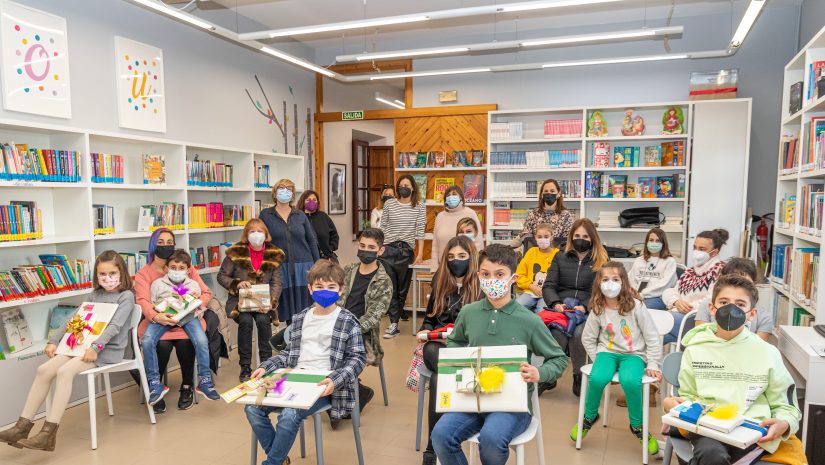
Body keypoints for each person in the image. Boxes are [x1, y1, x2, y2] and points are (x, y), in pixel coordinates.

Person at [431, 244, 567, 465]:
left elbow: (559, 359)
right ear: (478, 276)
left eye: (499, 274)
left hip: (512, 405)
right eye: (485, 274)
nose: (491, 280)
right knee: (441, 435)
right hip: (472, 399)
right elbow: (455, 340)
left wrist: (539, 372)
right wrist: (458, 360)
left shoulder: (529, 320)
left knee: (492, 439)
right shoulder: (469, 312)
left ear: (513, 278)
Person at [0, 251, 135, 451]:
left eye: (112, 273)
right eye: (102, 274)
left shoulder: (126, 296)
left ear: (122, 272)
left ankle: (48, 434)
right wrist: (54, 341)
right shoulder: (94, 295)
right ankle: (22, 427)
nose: (107, 278)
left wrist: (96, 347)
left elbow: (115, 327)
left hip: (106, 350)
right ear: (96, 275)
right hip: (82, 346)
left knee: (64, 372)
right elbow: (74, 319)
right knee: (44, 370)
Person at [662, 275, 802, 465]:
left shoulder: (767, 352)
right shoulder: (695, 349)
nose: (731, 308)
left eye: (740, 304)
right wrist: (676, 406)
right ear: (712, 308)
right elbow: (688, 396)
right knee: (711, 454)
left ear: (752, 314)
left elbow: (786, 405)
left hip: (752, 429)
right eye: (724, 302)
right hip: (707, 428)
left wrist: (784, 423)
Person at [245, 260, 366, 465]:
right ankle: (279, 459)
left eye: (331, 287)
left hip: (324, 385)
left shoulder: (347, 320)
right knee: (252, 408)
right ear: (310, 289)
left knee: (290, 415)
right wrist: (266, 366)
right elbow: (288, 355)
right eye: (319, 287)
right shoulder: (301, 318)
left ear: (341, 289)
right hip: (294, 377)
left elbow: (357, 358)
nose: (325, 292)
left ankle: (272, 462)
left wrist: (334, 380)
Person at [571, 262, 662, 454]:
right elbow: (587, 337)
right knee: (597, 378)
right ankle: (589, 417)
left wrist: (653, 362)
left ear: (623, 282)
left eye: (615, 279)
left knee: (630, 381)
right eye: (605, 279)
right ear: (598, 283)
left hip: (633, 355)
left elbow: (652, 336)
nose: (610, 283)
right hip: (607, 353)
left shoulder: (636, 305)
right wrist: (599, 359)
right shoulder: (598, 307)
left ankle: (637, 427)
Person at [134, 228, 218, 412]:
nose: (165, 246)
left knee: (186, 343)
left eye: (169, 242)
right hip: (159, 319)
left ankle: (188, 386)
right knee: (159, 345)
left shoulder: (186, 268)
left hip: (187, 319)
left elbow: (205, 293)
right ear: (152, 244)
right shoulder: (144, 274)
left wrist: (196, 304)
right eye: (160, 242)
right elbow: (143, 301)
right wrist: (157, 316)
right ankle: (154, 386)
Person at [416, 236, 483, 465]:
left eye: (462, 257)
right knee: (436, 357)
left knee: (438, 378)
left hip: (468, 347)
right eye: (452, 257)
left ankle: (431, 448)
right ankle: (439, 439)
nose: (456, 262)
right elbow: (430, 318)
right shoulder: (440, 279)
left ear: (471, 258)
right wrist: (424, 332)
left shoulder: (481, 285)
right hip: (439, 346)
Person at [542, 218, 609, 396]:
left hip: (588, 309)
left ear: (593, 238)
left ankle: (579, 375)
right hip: (562, 307)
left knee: (580, 333)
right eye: (577, 235)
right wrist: (556, 303)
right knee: (558, 331)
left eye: (586, 236)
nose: (581, 239)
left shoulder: (601, 259)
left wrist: (586, 307)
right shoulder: (560, 256)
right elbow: (548, 285)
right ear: (571, 236)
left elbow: (603, 290)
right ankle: (550, 375)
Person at [217, 218, 285, 382]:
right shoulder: (236, 252)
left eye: (260, 231)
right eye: (252, 231)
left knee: (263, 321)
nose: (256, 235)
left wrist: (270, 303)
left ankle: (266, 364)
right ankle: (245, 366)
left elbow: (277, 282)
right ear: (246, 235)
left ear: (266, 234)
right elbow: (222, 276)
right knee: (246, 322)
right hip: (240, 303)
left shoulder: (274, 254)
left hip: (264, 303)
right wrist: (237, 283)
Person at [336, 228, 392, 414]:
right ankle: (354, 390)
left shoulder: (384, 281)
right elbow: (336, 300)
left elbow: (374, 316)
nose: (365, 250)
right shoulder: (349, 270)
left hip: (363, 337)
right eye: (362, 246)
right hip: (339, 329)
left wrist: (348, 330)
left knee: (335, 354)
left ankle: (354, 393)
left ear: (380, 251)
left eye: (371, 247)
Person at [260, 178, 320, 325]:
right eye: (281, 188)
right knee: (286, 309)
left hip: (303, 266)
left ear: (293, 194)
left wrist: (318, 266)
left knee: (305, 308)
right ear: (275, 192)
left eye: (289, 189)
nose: (285, 192)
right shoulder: (266, 215)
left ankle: (303, 342)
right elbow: (262, 243)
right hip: (280, 267)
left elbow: (311, 240)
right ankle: (290, 342)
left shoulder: (300, 215)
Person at [661, 228, 728, 344]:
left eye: (702, 249)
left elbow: (711, 300)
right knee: (652, 336)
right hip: (679, 317)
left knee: (654, 324)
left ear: (715, 252)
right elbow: (670, 292)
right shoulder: (691, 271)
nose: (696, 251)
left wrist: (683, 308)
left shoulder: (722, 271)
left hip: (699, 321)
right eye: (695, 248)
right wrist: (676, 302)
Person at [380, 174, 426, 339]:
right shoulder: (390, 204)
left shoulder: (419, 206)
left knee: (402, 289)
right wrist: (380, 247)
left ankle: (396, 320)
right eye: (401, 185)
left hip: (406, 251)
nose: (403, 187)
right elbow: (383, 226)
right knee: (390, 287)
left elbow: (420, 231)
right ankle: (393, 324)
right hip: (388, 250)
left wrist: (420, 254)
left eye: (407, 185)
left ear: (413, 187)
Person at [694, 258, 773, 341]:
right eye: (733, 280)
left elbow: (758, 348)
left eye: (745, 282)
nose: (738, 286)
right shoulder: (706, 306)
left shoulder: (764, 317)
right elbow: (700, 339)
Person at [431, 186, 484, 272]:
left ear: (461, 197)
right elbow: (435, 245)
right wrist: (434, 268)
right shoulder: (440, 216)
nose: (451, 197)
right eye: (448, 195)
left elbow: (478, 241)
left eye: (454, 194)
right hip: (444, 267)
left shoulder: (470, 213)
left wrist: (477, 267)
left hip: (467, 267)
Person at [628, 228, 677, 310]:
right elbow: (631, 278)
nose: (654, 243)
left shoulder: (669, 261)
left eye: (658, 241)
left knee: (640, 308)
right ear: (647, 242)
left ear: (663, 243)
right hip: (637, 295)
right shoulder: (639, 260)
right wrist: (634, 292)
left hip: (658, 297)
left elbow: (664, 285)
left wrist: (641, 295)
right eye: (651, 240)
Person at [516, 179, 575, 247]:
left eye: (552, 191)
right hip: (536, 253)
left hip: (557, 254)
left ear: (558, 194)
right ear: (542, 194)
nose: (549, 193)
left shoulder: (566, 216)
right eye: (546, 191)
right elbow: (525, 235)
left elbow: (567, 240)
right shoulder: (534, 214)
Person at [515, 223, 558, 312]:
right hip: (530, 291)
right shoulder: (531, 252)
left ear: (552, 237)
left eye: (546, 236)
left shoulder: (557, 254)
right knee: (516, 308)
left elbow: (561, 277)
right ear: (535, 237)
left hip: (548, 294)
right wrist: (531, 286)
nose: (543, 239)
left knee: (541, 312)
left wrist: (547, 290)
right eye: (539, 236)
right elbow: (519, 275)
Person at [297, 189, 340, 261]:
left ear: (318, 202)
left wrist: (330, 248)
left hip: (325, 258)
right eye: (308, 200)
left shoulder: (323, 216)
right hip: (305, 260)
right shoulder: (298, 217)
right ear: (303, 202)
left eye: (314, 200)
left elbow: (334, 235)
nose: (311, 202)